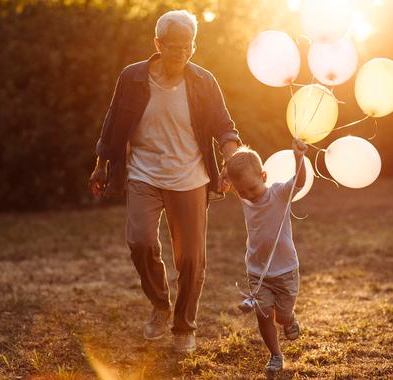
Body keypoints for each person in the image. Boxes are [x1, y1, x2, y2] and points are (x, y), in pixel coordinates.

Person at [88, 10, 241, 353]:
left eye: (187, 47)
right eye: (174, 47)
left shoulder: (204, 81)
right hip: (144, 172)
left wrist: (231, 162)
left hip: (189, 177)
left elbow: (224, 126)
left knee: (191, 260)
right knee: (140, 241)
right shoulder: (132, 77)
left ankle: (184, 327)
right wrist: (101, 166)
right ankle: (160, 304)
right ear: (157, 44)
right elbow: (112, 126)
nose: (181, 55)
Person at [225, 138, 307, 378]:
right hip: (258, 272)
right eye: (241, 192)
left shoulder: (279, 193)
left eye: (252, 188)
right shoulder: (244, 197)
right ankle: (275, 354)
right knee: (264, 315)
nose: (248, 195)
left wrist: (298, 157)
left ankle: (289, 319)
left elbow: (299, 182)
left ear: (264, 176)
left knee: (281, 316)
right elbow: (230, 178)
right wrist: (224, 174)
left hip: (286, 270)